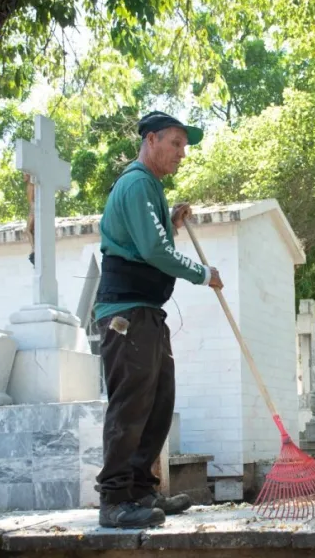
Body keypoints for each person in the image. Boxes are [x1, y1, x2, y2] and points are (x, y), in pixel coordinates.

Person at [93, 111, 224, 529]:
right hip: (125, 314)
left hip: (148, 311)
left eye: (184, 147)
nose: (182, 154)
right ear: (151, 140)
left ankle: (141, 490)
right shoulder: (135, 183)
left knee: (159, 402)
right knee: (131, 404)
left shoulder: (150, 188)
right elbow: (151, 250)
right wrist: (203, 274)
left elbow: (149, 239)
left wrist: (171, 224)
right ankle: (114, 500)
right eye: (176, 144)